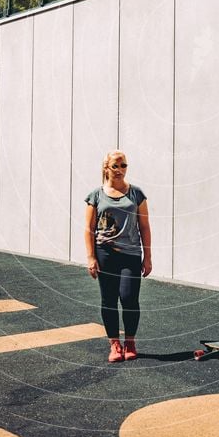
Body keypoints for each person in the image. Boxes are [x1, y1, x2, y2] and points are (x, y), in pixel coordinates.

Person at [84, 150, 152, 362]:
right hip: (105, 253)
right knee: (109, 299)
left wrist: (147, 256)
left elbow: (144, 226)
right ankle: (114, 344)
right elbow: (89, 228)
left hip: (130, 254)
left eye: (124, 166)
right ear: (106, 168)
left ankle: (130, 341)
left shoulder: (136, 194)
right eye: (116, 166)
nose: (121, 170)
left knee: (129, 298)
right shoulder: (96, 196)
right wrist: (91, 258)